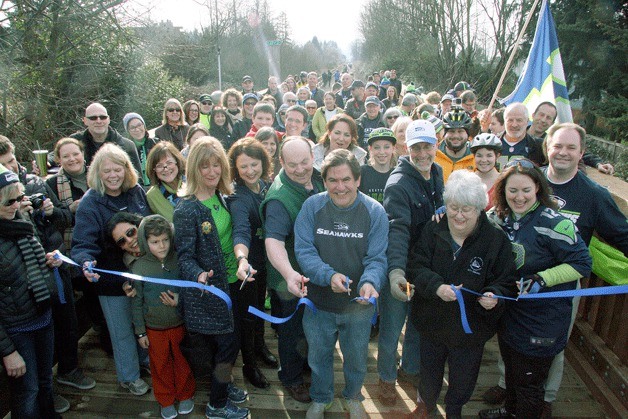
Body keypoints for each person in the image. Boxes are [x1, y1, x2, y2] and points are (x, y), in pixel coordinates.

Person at [482, 123, 628, 413]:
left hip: (552, 297)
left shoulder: (590, 196)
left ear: (582, 153)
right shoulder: (515, 192)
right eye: (557, 145)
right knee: (512, 354)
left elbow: (600, 249)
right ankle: (512, 403)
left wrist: (543, 279)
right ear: (547, 147)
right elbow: (480, 226)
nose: (562, 152)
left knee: (544, 356)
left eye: (570, 147)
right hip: (512, 297)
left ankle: (542, 401)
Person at [479, 159, 591, 419]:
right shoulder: (498, 217)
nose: (519, 197)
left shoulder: (554, 222)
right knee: (512, 369)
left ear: (538, 189)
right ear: (502, 190)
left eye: (526, 190)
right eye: (512, 190)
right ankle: (510, 410)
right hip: (511, 313)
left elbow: (583, 263)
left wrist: (542, 278)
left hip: (543, 317)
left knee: (530, 382)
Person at [407, 170, 517, 418]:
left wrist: (493, 295)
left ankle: (454, 408)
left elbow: (506, 281)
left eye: (466, 209)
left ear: (479, 208)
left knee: (464, 378)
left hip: (470, 330)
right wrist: (436, 286)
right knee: (429, 372)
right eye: (453, 207)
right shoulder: (432, 230)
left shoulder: (496, 240)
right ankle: (428, 405)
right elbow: (415, 265)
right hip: (432, 322)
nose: (458, 215)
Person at [295, 149, 388, 419]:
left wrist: (370, 281)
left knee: (357, 358)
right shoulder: (312, 207)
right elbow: (304, 251)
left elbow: (377, 257)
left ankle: (353, 396)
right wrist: (327, 275)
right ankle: (321, 398)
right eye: (333, 180)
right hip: (319, 302)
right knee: (318, 356)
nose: (340, 187)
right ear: (324, 182)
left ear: (358, 180)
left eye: (346, 179)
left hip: (358, 306)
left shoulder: (374, 211)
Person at [173, 137, 249, 419]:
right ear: (194, 168)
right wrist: (199, 274)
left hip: (233, 281)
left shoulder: (222, 197)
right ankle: (216, 405)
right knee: (227, 345)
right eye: (205, 166)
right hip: (210, 291)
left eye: (217, 164)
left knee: (232, 341)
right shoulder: (187, 208)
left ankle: (225, 385)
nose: (212, 171)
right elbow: (184, 256)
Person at [71, 143, 151, 396]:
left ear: (126, 169)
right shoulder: (91, 202)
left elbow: (148, 224)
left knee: (142, 322)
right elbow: (82, 243)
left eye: (118, 169)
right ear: (97, 173)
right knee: (121, 330)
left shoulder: (136, 192)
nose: (113, 175)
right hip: (110, 277)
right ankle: (129, 376)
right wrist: (86, 262)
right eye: (107, 171)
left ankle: (144, 361)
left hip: (140, 272)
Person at [377, 120, 444, 405]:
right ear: (407, 148)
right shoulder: (398, 184)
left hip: (425, 268)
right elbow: (397, 229)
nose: (422, 154)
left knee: (418, 323)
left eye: (427, 146)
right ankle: (386, 378)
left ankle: (410, 370)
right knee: (392, 326)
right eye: (416, 147)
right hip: (402, 267)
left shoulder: (437, 172)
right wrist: (395, 273)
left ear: (435, 146)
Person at [261, 136, 325, 403]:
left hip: (317, 272)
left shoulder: (321, 176)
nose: (299, 170)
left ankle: (308, 366)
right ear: (281, 163)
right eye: (292, 165)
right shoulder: (279, 198)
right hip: (290, 278)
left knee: (313, 326)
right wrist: (289, 274)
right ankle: (291, 377)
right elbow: (273, 241)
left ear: (313, 156)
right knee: (292, 330)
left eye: (304, 163)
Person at [0, 164, 64, 418]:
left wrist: (50, 262)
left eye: (19, 198)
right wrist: (7, 351)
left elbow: (32, 267)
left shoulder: (22, 225)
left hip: (42, 317)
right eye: (8, 201)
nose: (16, 205)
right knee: (27, 391)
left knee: (46, 382)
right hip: (16, 329)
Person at [130, 215, 196, 419]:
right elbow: (136, 302)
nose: (162, 246)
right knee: (159, 365)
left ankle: (185, 394)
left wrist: (180, 299)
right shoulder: (139, 267)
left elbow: (191, 289)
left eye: (165, 240)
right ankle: (165, 399)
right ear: (145, 242)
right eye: (155, 242)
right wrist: (140, 331)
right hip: (153, 328)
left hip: (179, 324)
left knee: (183, 361)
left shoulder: (179, 260)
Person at [226, 139, 278, 389]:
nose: (249, 171)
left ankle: (260, 347)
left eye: (254, 164)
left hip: (265, 262)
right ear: (235, 168)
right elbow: (241, 229)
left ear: (263, 163)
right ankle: (249, 365)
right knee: (247, 316)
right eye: (243, 166)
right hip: (247, 268)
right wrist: (242, 258)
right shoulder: (237, 196)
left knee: (259, 311)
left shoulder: (266, 187)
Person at [70, 102, 142, 175]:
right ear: (85, 121)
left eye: (103, 117)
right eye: (93, 118)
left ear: (108, 119)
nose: (99, 121)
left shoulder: (128, 146)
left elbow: (137, 180)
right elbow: (65, 168)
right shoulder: (74, 143)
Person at [146, 141, 186, 222]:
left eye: (169, 162)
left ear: (177, 162)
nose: (166, 168)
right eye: (159, 166)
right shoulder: (152, 196)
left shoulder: (192, 180)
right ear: (154, 170)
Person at [435, 108, 475, 182]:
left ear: (467, 134)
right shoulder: (433, 156)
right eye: (451, 131)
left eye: (460, 131)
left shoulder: (476, 158)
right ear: (444, 133)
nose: (456, 135)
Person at [359, 128, 397, 205]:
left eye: (386, 147)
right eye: (377, 147)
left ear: (393, 148)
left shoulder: (398, 174)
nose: (382, 152)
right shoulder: (361, 172)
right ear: (370, 149)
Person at [123, 112, 158, 188]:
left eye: (139, 125)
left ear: (144, 126)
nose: (137, 129)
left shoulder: (155, 143)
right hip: (137, 188)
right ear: (128, 131)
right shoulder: (126, 149)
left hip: (157, 186)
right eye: (132, 127)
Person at [470, 133, 502, 210]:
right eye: (479, 155)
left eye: (489, 155)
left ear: (497, 156)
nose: (484, 160)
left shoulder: (504, 181)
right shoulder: (467, 181)